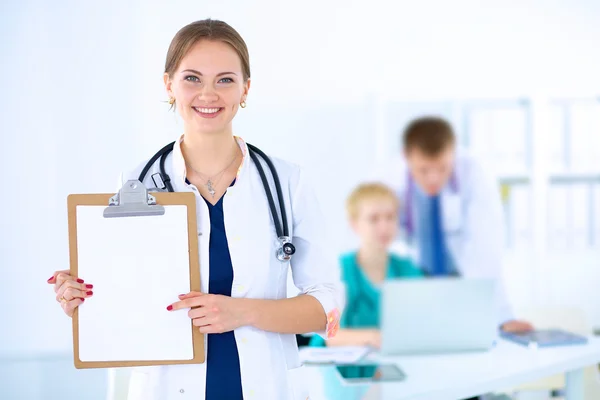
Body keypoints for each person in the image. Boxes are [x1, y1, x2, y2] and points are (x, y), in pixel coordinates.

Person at [47, 19, 342, 400]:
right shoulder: (137, 182)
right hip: (167, 387)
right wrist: (82, 300)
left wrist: (243, 312)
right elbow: (127, 297)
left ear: (245, 89)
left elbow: (327, 306)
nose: (208, 93)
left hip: (262, 385)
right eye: (192, 78)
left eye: (224, 79)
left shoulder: (286, 182)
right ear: (168, 84)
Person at [376, 116, 532, 333]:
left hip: (459, 279)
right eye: (423, 169)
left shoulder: (474, 174)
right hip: (409, 284)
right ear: (406, 157)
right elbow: (376, 242)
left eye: (442, 168)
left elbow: (486, 248)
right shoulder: (387, 179)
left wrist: (501, 316)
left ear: (454, 154)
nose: (433, 178)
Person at [309, 183, 423, 348]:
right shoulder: (339, 271)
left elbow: (424, 324)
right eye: (374, 219)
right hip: (340, 369)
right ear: (355, 224)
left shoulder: (408, 270)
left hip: (392, 368)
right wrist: (373, 337)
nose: (384, 227)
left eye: (390, 217)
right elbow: (329, 333)